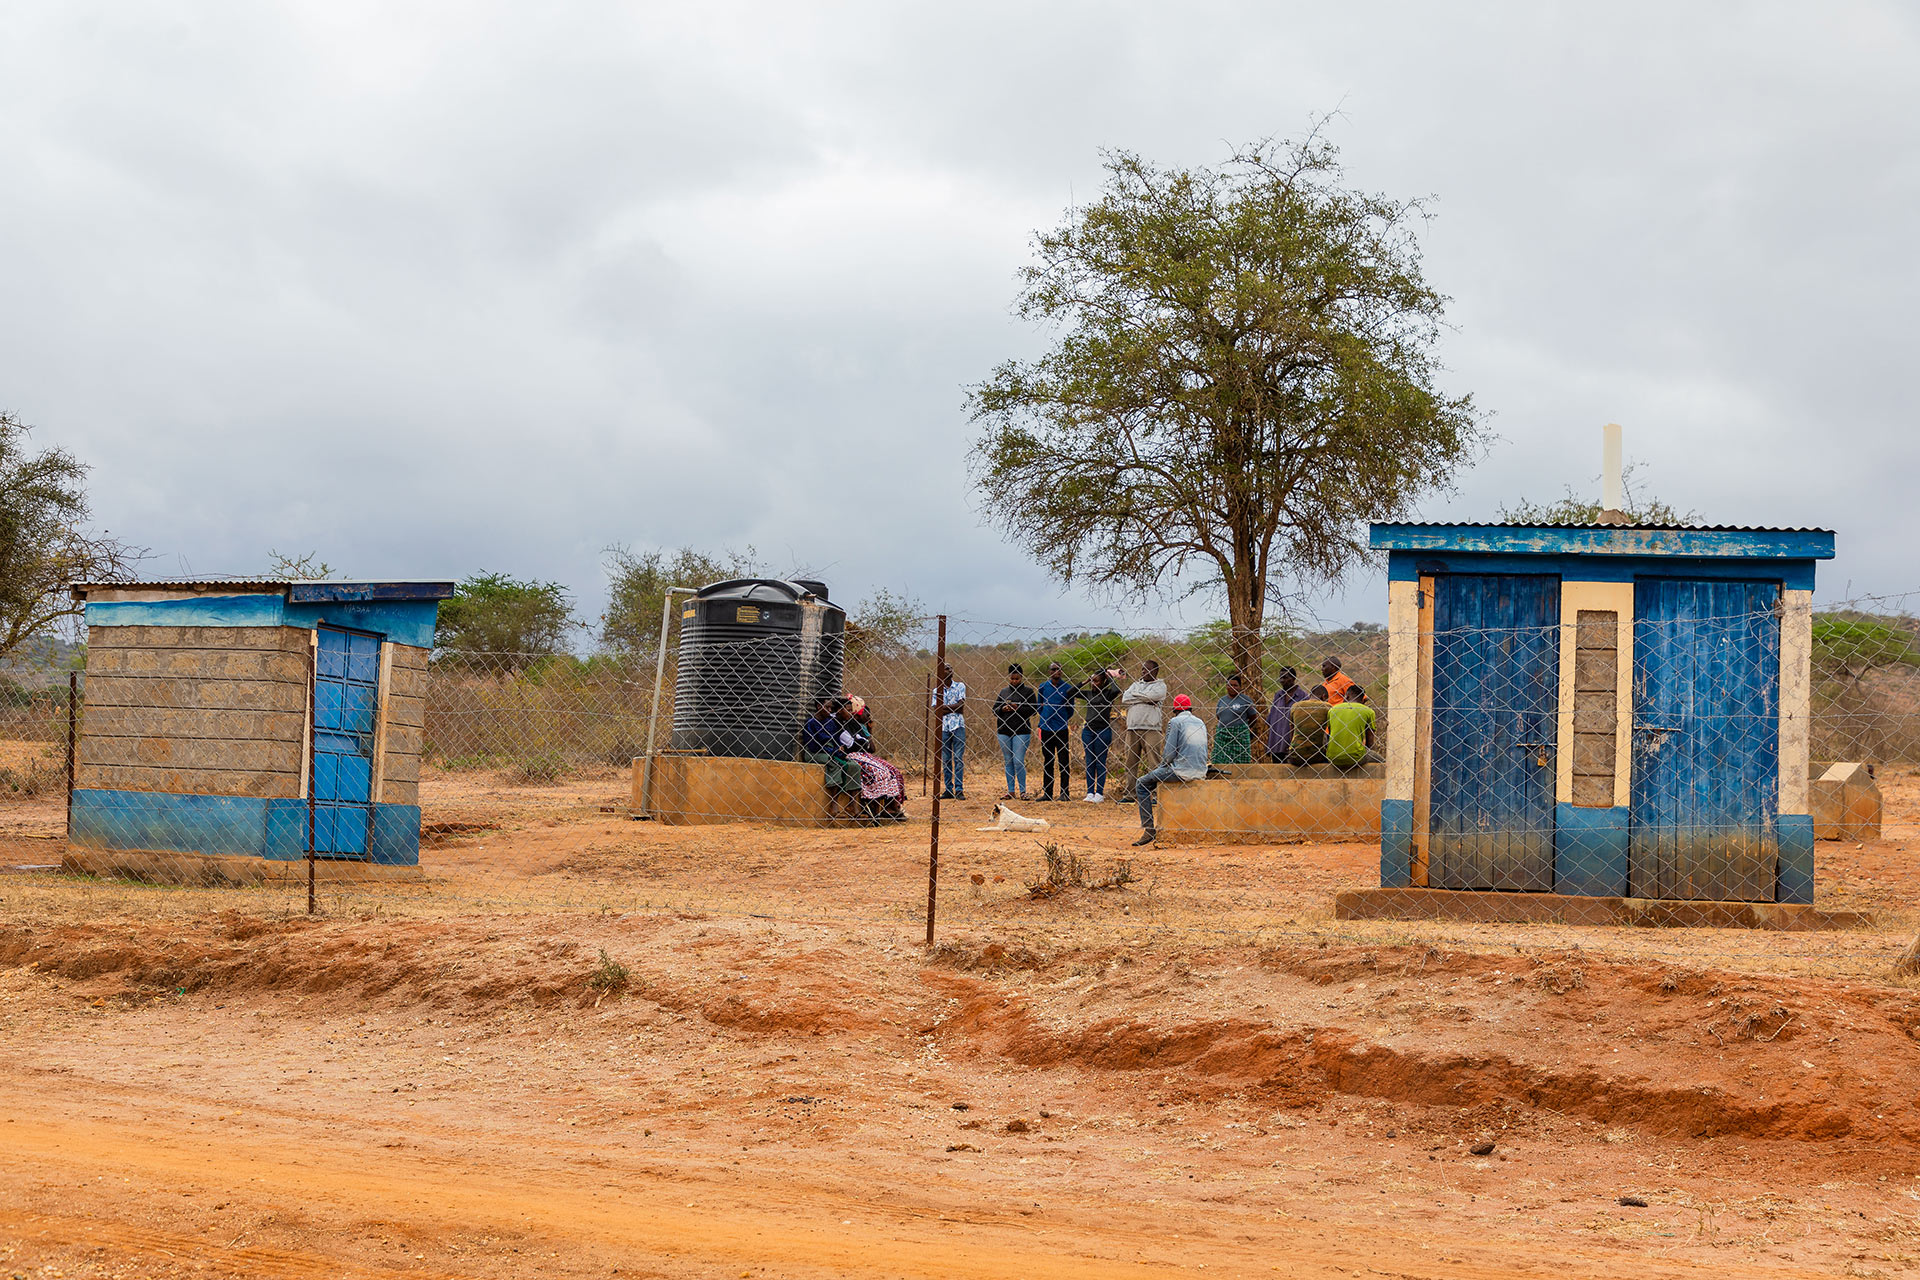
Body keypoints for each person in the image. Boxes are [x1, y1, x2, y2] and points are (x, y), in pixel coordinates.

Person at [1133, 693, 1209, 846]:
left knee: (1142, 784)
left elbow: (1169, 754)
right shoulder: (1200, 722)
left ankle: (1149, 829)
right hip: (1201, 770)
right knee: (1157, 777)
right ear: (1190, 709)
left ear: (1175, 710)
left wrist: (1161, 768)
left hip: (1181, 771)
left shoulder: (1175, 722)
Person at [844, 696, 908, 821]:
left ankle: (892, 804)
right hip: (855, 755)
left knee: (894, 771)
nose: (869, 718)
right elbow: (857, 746)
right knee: (881, 771)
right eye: (866, 714)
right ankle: (883, 806)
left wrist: (869, 732)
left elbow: (871, 748)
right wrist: (865, 742)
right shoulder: (847, 725)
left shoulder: (860, 726)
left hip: (863, 755)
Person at [1119, 659, 1167, 799]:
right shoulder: (1135, 684)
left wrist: (1137, 696)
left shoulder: (1160, 686)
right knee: (1130, 762)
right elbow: (1125, 698)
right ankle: (1130, 794)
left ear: (1155, 671)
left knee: (1154, 762)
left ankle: (1156, 794)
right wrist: (1145, 699)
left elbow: (1155, 696)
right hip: (1132, 728)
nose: (1143, 672)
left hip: (1151, 728)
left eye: (1146, 669)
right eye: (1142, 669)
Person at [992, 663, 1039, 800]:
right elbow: (995, 710)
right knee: (1008, 761)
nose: (1014, 681)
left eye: (1017, 679)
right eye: (1012, 679)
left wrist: (1018, 708)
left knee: (1018, 760)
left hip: (1021, 730)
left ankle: (1023, 791)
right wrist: (1003, 709)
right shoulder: (1003, 692)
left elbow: (1034, 710)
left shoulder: (1028, 692)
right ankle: (1011, 791)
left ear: (1021, 677)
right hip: (1004, 730)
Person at [800, 697, 862, 800]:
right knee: (835, 763)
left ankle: (853, 804)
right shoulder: (811, 723)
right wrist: (833, 751)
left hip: (831, 751)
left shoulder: (830, 722)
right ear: (819, 707)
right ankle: (834, 802)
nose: (830, 710)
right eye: (827, 707)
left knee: (854, 765)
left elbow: (836, 738)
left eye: (831, 708)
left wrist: (838, 748)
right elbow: (813, 746)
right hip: (815, 753)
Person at [1076, 667, 1121, 803]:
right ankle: (1090, 792)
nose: (1093, 684)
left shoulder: (1108, 694)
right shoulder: (1089, 694)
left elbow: (1116, 690)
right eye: (1092, 681)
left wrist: (1110, 676)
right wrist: (1085, 681)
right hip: (1088, 730)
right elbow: (1070, 692)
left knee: (1100, 761)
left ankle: (1099, 793)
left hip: (1103, 731)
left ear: (1103, 682)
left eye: (1097, 681)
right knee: (1090, 762)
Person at [1036, 661, 1076, 801]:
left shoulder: (1067, 688)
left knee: (1063, 761)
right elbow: (1039, 706)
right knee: (1048, 760)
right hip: (1046, 728)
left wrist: (1063, 718)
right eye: (1054, 669)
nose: (1056, 672)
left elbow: (1070, 709)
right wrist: (1045, 716)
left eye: (1059, 669)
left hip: (1061, 729)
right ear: (1049, 671)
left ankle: (1064, 792)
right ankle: (1047, 793)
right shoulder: (1043, 687)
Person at [932, 662, 966, 800]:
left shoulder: (960, 686)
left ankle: (959, 789)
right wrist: (953, 707)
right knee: (946, 759)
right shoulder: (937, 690)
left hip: (958, 725)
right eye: (946, 668)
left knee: (958, 758)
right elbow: (936, 710)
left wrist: (944, 707)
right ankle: (948, 789)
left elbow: (961, 706)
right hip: (944, 727)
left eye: (950, 668)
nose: (949, 670)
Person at [1325, 683, 1379, 769]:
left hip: (1332, 757)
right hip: (1355, 757)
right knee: (1383, 762)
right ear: (1362, 700)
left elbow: (1330, 734)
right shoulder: (1368, 711)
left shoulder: (1333, 710)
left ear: (1346, 696)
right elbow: (1370, 741)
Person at [1211, 673, 1258, 765]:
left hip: (1239, 736)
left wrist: (1244, 728)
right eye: (1229, 685)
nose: (1232, 687)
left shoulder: (1245, 700)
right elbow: (1218, 716)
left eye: (1235, 685)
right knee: (1220, 760)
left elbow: (1253, 717)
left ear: (1240, 687)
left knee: (1241, 761)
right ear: (1226, 686)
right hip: (1222, 735)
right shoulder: (1222, 700)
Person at [1266, 666, 1310, 762]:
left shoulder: (1303, 696)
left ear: (1293, 678)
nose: (1282, 680)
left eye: (1285, 677)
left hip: (1293, 743)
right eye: (1281, 678)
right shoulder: (1278, 695)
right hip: (1277, 743)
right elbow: (1271, 718)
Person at [1286, 684, 1333, 764]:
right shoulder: (1327, 707)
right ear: (1323, 696)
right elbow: (1332, 732)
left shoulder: (1295, 706)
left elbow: (1292, 732)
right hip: (1317, 756)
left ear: (1310, 695)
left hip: (1296, 755)